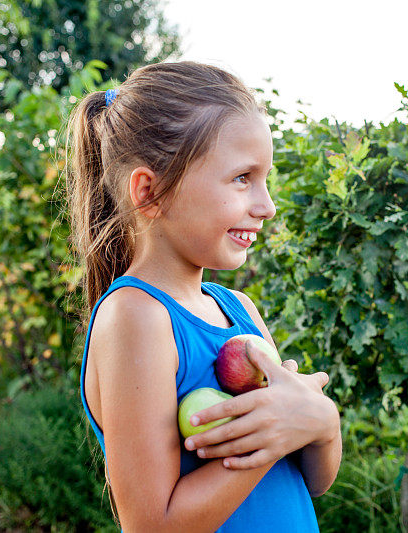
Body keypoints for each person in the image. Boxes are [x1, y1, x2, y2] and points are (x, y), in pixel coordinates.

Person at [65, 61, 342, 532]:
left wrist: (322, 422)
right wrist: (275, 430)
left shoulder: (240, 311)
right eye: (242, 178)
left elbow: (314, 479)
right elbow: (152, 524)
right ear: (150, 192)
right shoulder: (136, 318)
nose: (267, 205)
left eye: (266, 178)